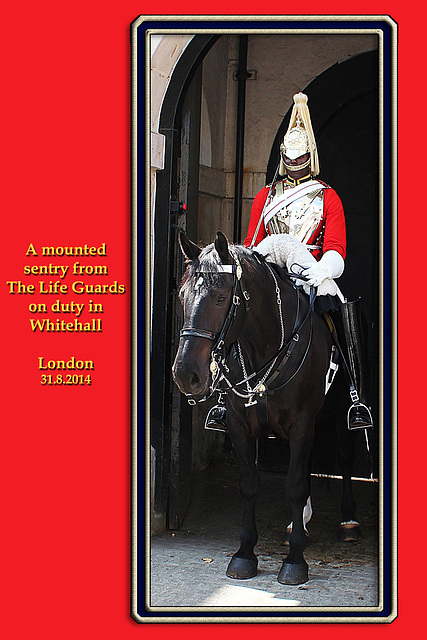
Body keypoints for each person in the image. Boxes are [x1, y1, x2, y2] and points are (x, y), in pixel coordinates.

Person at [206, 92, 373, 432]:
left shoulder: (328, 196)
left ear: (309, 156)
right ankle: (223, 398)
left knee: (342, 312)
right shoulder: (266, 196)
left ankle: (357, 396)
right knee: (233, 313)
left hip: (312, 271)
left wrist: (323, 269)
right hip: (270, 271)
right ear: (284, 157)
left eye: (300, 158)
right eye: (290, 158)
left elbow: (337, 247)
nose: (295, 163)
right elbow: (253, 242)